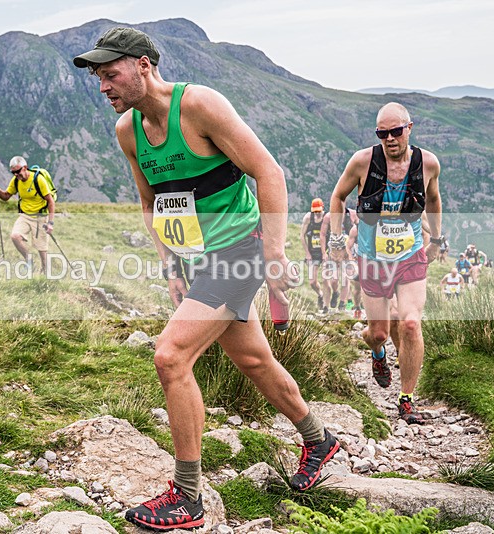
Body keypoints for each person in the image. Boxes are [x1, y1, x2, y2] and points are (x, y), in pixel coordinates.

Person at [74, 27, 339, 531]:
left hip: (241, 251)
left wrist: (276, 252)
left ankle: (188, 496)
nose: (103, 87)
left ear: (144, 66)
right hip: (198, 258)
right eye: (98, 79)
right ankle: (319, 439)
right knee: (253, 359)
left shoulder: (199, 106)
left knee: (170, 355)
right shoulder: (128, 131)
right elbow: (152, 203)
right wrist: (172, 265)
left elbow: (269, 172)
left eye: (110, 75)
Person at [328, 102, 442, 425]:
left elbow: (433, 199)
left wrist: (436, 239)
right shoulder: (363, 162)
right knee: (378, 333)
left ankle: (406, 400)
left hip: (409, 257)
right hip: (372, 260)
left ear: (409, 128)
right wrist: (337, 240)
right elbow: (337, 197)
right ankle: (378, 354)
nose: (390, 138)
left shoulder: (428, 164)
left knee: (409, 323)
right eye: (382, 133)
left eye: (395, 131)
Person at [0, 157, 55, 272]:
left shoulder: (38, 180)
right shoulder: (16, 181)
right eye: (13, 172)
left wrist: (50, 223)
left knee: (42, 249)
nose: (16, 174)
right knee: (15, 236)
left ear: (24, 168)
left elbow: (50, 201)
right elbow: (5, 197)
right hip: (25, 216)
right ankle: (29, 261)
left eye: (17, 171)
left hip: (40, 216)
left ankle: (44, 274)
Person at [322, 206, 356, 312]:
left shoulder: (352, 215)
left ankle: (342, 304)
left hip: (347, 251)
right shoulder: (328, 216)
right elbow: (322, 234)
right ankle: (335, 292)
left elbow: (358, 230)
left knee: (346, 278)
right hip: (333, 251)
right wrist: (324, 252)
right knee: (334, 280)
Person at [301, 198, 331, 314]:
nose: (317, 213)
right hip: (313, 253)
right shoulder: (308, 218)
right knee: (312, 282)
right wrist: (307, 253)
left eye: (319, 211)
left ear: (323, 208)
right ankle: (320, 295)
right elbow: (302, 236)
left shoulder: (327, 218)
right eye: (315, 211)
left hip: (325, 252)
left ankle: (326, 305)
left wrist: (328, 252)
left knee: (325, 279)